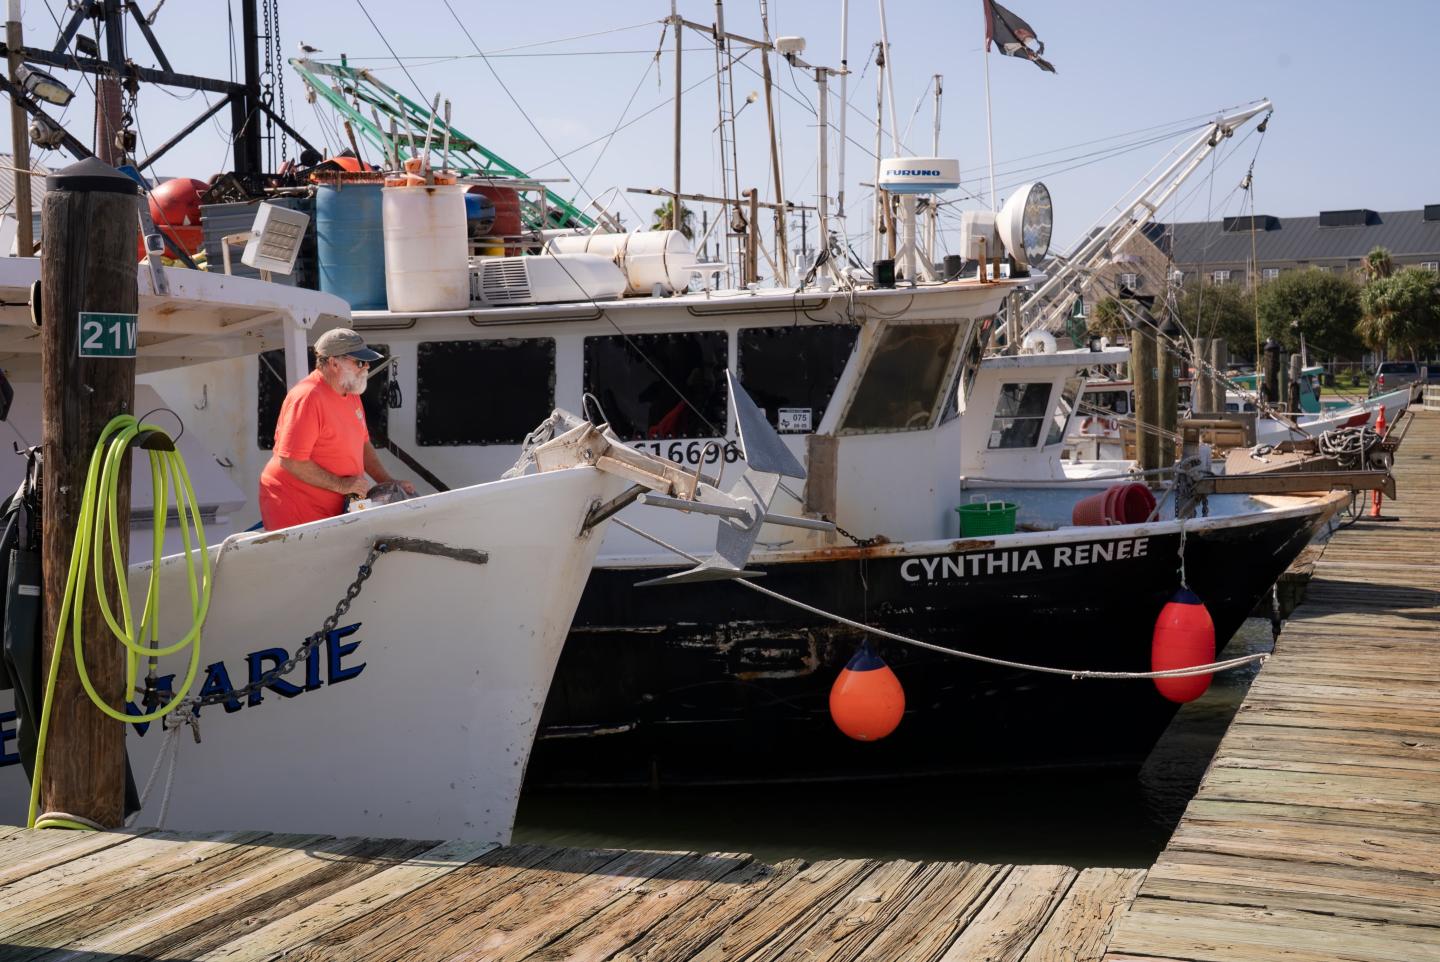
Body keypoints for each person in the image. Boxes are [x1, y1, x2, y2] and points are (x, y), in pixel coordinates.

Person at [258, 328, 415, 530]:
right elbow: (291, 461)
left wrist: (389, 482)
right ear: (333, 363)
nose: (366, 366)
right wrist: (342, 485)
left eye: (367, 361)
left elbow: (363, 445)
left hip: (334, 509)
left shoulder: (350, 393)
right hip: (297, 508)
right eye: (359, 362)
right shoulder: (308, 397)